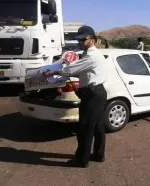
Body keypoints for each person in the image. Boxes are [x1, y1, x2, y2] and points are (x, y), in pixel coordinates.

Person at [43, 26, 108, 168]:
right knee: (98, 126)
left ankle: (82, 160)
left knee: (84, 128)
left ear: (92, 40)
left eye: (82, 40)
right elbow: (82, 73)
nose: (79, 42)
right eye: (78, 40)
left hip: (93, 95)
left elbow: (70, 69)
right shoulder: (93, 55)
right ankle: (98, 154)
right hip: (98, 92)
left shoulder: (91, 56)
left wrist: (53, 72)